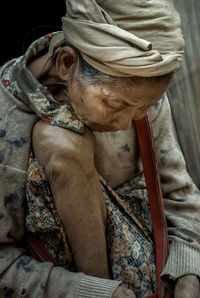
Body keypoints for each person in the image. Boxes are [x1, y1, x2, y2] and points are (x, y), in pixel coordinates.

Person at [0, 0, 200, 297]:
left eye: (141, 109)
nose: (124, 123)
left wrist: (189, 272)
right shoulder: (7, 123)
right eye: (114, 105)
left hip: (161, 277)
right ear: (66, 64)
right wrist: (89, 291)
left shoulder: (139, 93)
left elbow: (179, 195)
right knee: (61, 142)